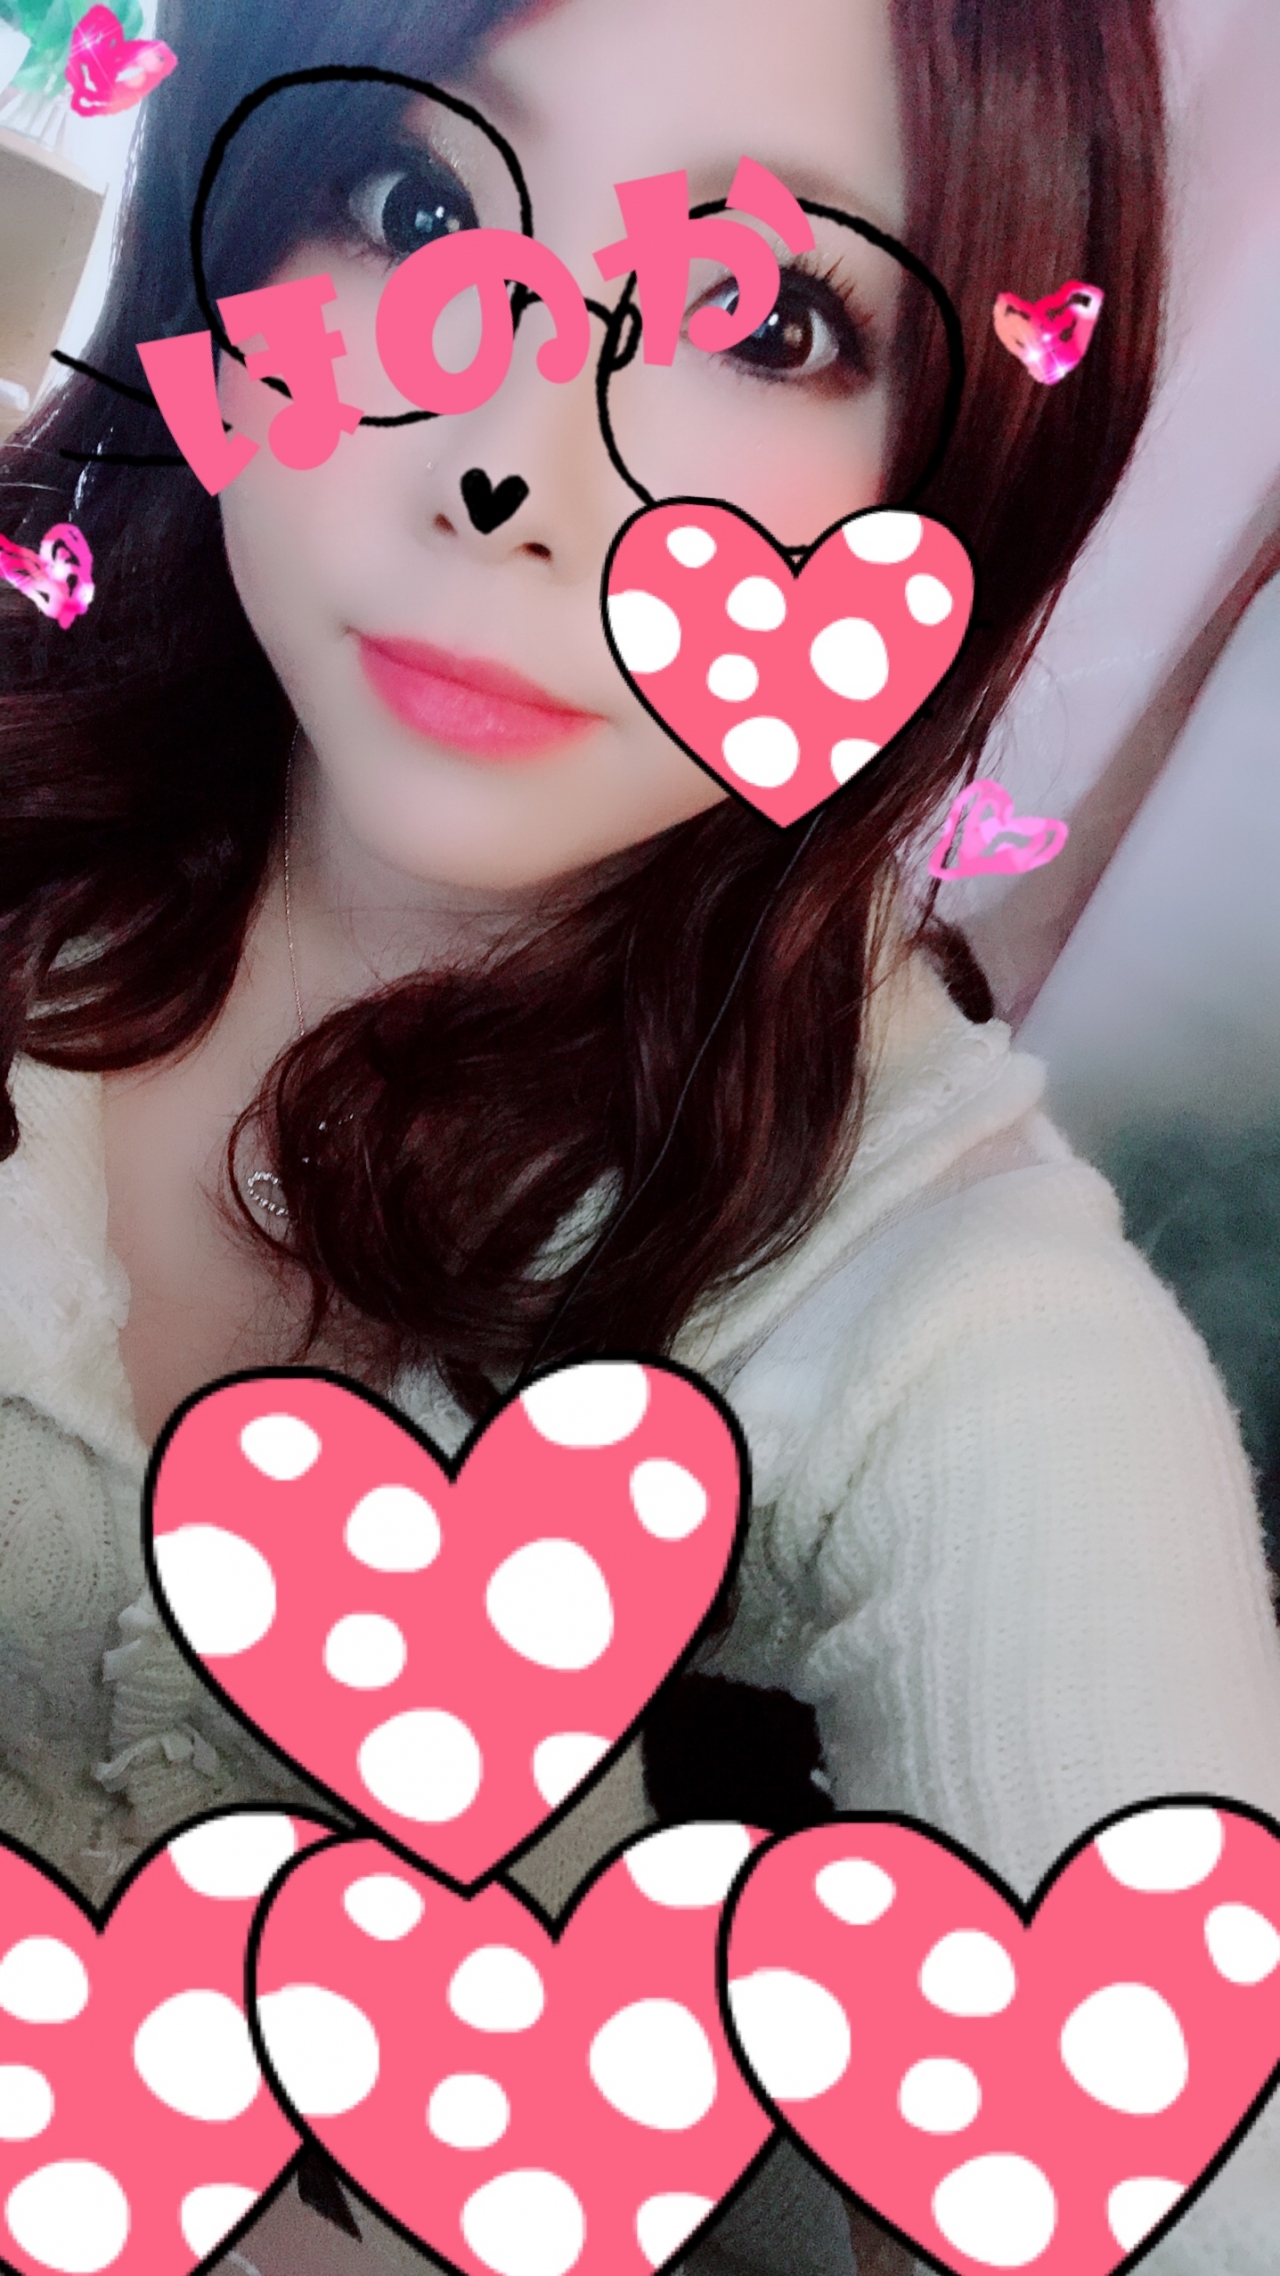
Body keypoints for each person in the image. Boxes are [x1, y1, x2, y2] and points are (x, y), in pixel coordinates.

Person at [2, 0, 1279, 2269]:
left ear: (963, 464)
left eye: (766, 317)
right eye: (414, 204)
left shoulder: (943, 1308)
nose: (514, 470)